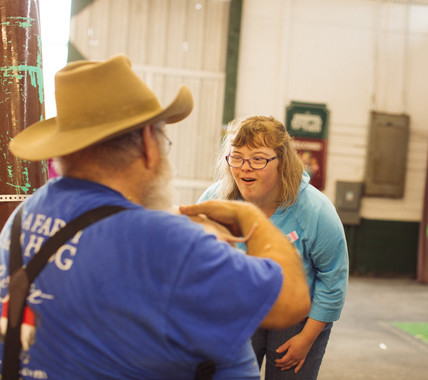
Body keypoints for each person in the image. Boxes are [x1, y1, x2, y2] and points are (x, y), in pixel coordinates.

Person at [0, 54, 311, 379]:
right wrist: (250, 217)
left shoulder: (23, 217)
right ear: (150, 143)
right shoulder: (161, 240)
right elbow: (290, 301)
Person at [199, 116, 349, 379]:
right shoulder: (215, 200)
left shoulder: (315, 210)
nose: (245, 168)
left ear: (282, 162)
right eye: (237, 157)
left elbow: (333, 277)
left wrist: (306, 339)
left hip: (298, 317)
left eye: (258, 159)